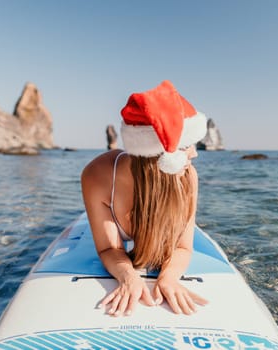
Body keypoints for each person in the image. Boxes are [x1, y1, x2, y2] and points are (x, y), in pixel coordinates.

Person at [81, 80, 209, 317]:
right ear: (159, 157)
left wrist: (169, 278)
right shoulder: (98, 176)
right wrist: (128, 277)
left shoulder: (187, 176)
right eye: (187, 145)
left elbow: (182, 246)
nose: (195, 154)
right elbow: (109, 248)